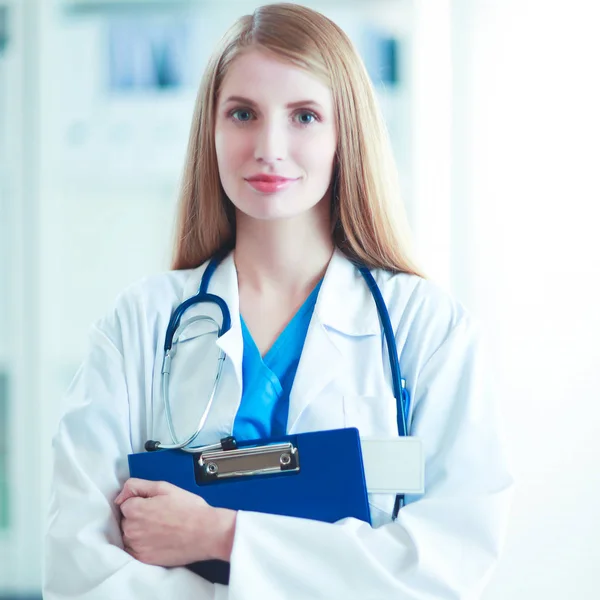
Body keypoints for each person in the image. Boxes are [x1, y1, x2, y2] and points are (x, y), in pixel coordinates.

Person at [44, 3, 513, 599]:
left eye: (305, 116)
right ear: (211, 131)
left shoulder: (427, 330)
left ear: (346, 136)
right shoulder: (139, 324)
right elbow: (80, 567)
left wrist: (224, 535)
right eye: (243, 113)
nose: (269, 146)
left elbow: (448, 564)